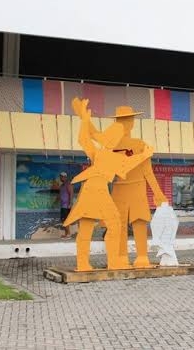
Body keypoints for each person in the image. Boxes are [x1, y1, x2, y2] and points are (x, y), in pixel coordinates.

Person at [64, 98, 154, 271]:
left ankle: (85, 264)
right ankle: (112, 262)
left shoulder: (98, 153)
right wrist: (145, 154)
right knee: (113, 225)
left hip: (90, 189)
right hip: (98, 191)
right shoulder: (110, 156)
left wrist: (84, 120)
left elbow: (84, 139)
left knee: (88, 226)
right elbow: (128, 163)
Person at [87, 105, 168, 268]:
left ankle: (142, 257)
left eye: (127, 121)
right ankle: (122, 257)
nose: (125, 124)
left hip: (137, 188)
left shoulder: (140, 144)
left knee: (139, 222)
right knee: (119, 224)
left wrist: (158, 193)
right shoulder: (110, 146)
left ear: (132, 123)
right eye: (121, 121)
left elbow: (148, 172)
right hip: (119, 189)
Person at [58, 172, 74, 238]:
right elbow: (60, 195)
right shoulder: (62, 186)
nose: (61, 178)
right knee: (63, 220)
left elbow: (71, 194)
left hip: (66, 206)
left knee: (65, 220)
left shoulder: (68, 184)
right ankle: (66, 234)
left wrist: (70, 203)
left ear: (65, 177)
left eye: (62, 177)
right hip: (62, 206)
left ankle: (69, 234)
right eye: (60, 176)